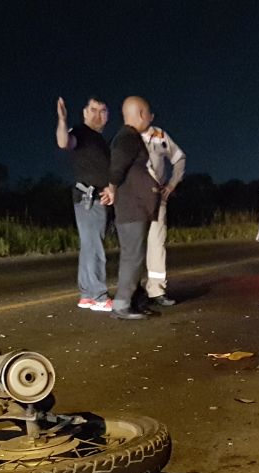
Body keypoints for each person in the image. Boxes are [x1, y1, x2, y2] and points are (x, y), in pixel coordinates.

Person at [101, 96, 160, 320]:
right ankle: (122, 305)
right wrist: (112, 187)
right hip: (131, 208)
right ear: (142, 114)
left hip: (136, 207)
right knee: (132, 257)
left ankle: (136, 300)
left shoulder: (128, 137)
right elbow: (117, 165)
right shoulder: (127, 137)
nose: (150, 118)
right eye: (148, 113)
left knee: (135, 256)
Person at [56, 96, 114, 312]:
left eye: (103, 110)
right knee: (95, 248)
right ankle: (99, 296)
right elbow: (64, 142)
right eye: (93, 109)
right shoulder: (80, 133)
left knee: (89, 247)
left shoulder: (100, 140)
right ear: (85, 113)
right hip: (88, 198)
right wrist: (62, 121)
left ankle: (87, 295)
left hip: (98, 198)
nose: (98, 114)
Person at [141, 119, 187, 307]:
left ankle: (156, 291)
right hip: (135, 198)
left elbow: (179, 158)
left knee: (157, 244)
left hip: (158, 197)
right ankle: (132, 290)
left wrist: (172, 183)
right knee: (134, 246)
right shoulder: (128, 135)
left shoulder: (160, 135)